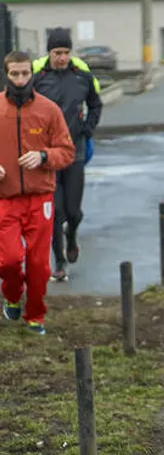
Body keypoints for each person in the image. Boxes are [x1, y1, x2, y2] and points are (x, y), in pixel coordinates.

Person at [0, 51, 75, 335]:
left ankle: (35, 315)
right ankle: (11, 294)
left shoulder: (48, 110)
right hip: (5, 199)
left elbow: (67, 151)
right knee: (7, 260)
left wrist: (43, 157)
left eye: (25, 74)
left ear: (32, 73)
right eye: (14, 74)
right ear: (6, 75)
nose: (20, 80)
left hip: (40, 198)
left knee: (39, 264)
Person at [33, 27, 103, 281]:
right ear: (49, 53)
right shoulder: (37, 76)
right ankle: (59, 262)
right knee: (55, 212)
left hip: (75, 151)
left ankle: (72, 236)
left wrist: (87, 128)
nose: (61, 58)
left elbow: (96, 103)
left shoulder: (82, 75)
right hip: (48, 155)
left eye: (65, 53)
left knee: (73, 212)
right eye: (56, 53)